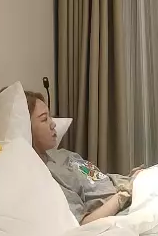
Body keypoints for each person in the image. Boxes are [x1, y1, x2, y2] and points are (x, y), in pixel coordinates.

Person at [24, 91, 142, 224]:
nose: (53, 124)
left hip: (129, 188)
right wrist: (124, 194)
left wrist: (127, 179)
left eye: (50, 117)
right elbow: (83, 224)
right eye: (44, 119)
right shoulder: (47, 177)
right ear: (27, 128)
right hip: (125, 205)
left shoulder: (62, 154)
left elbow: (97, 181)